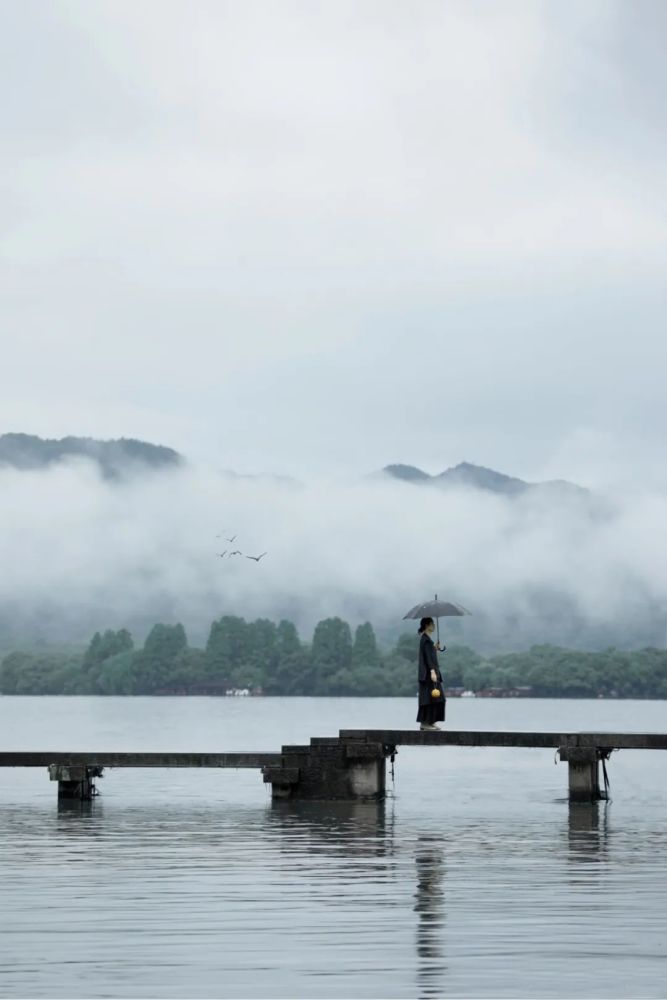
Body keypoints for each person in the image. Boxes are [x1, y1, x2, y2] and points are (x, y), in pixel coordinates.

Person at [416, 617, 445, 731]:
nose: (434, 625)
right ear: (427, 625)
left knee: (434, 698)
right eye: (432, 623)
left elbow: (429, 654)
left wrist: (435, 649)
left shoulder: (426, 640)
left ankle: (430, 722)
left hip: (428, 674)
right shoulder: (426, 640)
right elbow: (428, 658)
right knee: (431, 698)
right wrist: (432, 672)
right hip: (428, 675)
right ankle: (425, 723)